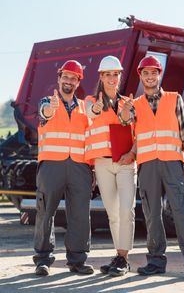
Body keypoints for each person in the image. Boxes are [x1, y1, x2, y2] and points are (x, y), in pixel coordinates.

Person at [119, 55, 184, 280]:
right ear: (141, 77)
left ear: (159, 75)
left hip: (172, 162)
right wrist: (127, 111)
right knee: (152, 214)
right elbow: (126, 123)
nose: (150, 77)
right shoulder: (135, 104)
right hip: (147, 164)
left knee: (182, 212)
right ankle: (156, 261)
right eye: (145, 73)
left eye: (153, 73)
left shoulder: (174, 99)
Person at [33, 60, 94, 276]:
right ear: (59, 79)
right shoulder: (47, 101)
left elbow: (91, 137)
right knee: (45, 211)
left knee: (79, 213)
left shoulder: (84, 108)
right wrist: (50, 109)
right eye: (65, 77)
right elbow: (44, 113)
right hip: (52, 165)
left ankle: (77, 260)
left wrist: (92, 167)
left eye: (73, 78)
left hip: (80, 166)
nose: (68, 81)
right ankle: (42, 259)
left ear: (78, 82)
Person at [85, 55, 137, 277]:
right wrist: (97, 108)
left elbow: (138, 133)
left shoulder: (128, 102)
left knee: (127, 210)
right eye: (108, 74)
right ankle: (119, 255)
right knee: (113, 214)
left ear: (119, 76)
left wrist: (132, 153)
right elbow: (90, 114)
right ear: (101, 77)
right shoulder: (90, 100)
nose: (112, 78)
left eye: (116, 74)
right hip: (103, 164)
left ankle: (124, 258)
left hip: (125, 162)